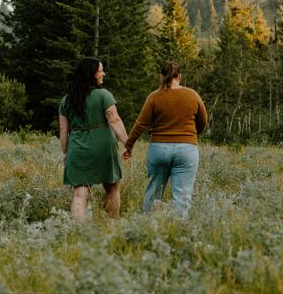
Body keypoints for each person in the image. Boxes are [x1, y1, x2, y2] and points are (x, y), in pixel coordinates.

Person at [124, 60, 208, 218]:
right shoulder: (192, 95)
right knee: (182, 198)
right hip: (187, 150)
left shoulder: (154, 97)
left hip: (159, 149)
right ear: (179, 76)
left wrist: (129, 146)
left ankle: (148, 228)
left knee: (153, 193)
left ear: (161, 76)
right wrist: (190, 136)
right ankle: (177, 233)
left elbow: (140, 124)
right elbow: (203, 123)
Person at [59, 57, 128, 221]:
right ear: (92, 74)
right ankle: (110, 227)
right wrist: (128, 143)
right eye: (100, 70)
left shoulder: (66, 100)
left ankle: (78, 233)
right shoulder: (104, 95)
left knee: (79, 194)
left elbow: (63, 130)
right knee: (112, 188)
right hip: (104, 147)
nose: (103, 73)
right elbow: (115, 120)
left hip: (78, 149)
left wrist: (65, 152)